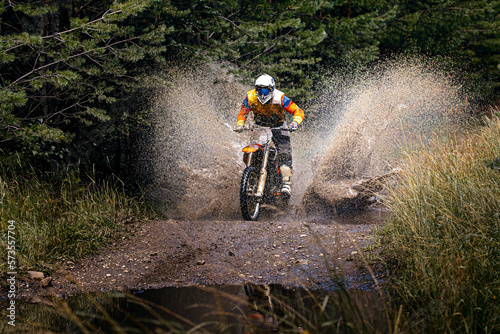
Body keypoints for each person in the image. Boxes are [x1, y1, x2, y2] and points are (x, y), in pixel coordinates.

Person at [235, 74, 304, 196]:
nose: (262, 93)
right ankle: (251, 173)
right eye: (260, 89)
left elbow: (297, 110)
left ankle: (286, 182)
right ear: (256, 89)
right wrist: (240, 124)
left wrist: (294, 123)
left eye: (266, 89)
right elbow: (243, 112)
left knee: (284, 151)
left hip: (278, 125)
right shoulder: (250, 97)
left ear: (272, 89)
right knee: (252, 148)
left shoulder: (280, 97)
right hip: (260, 126)